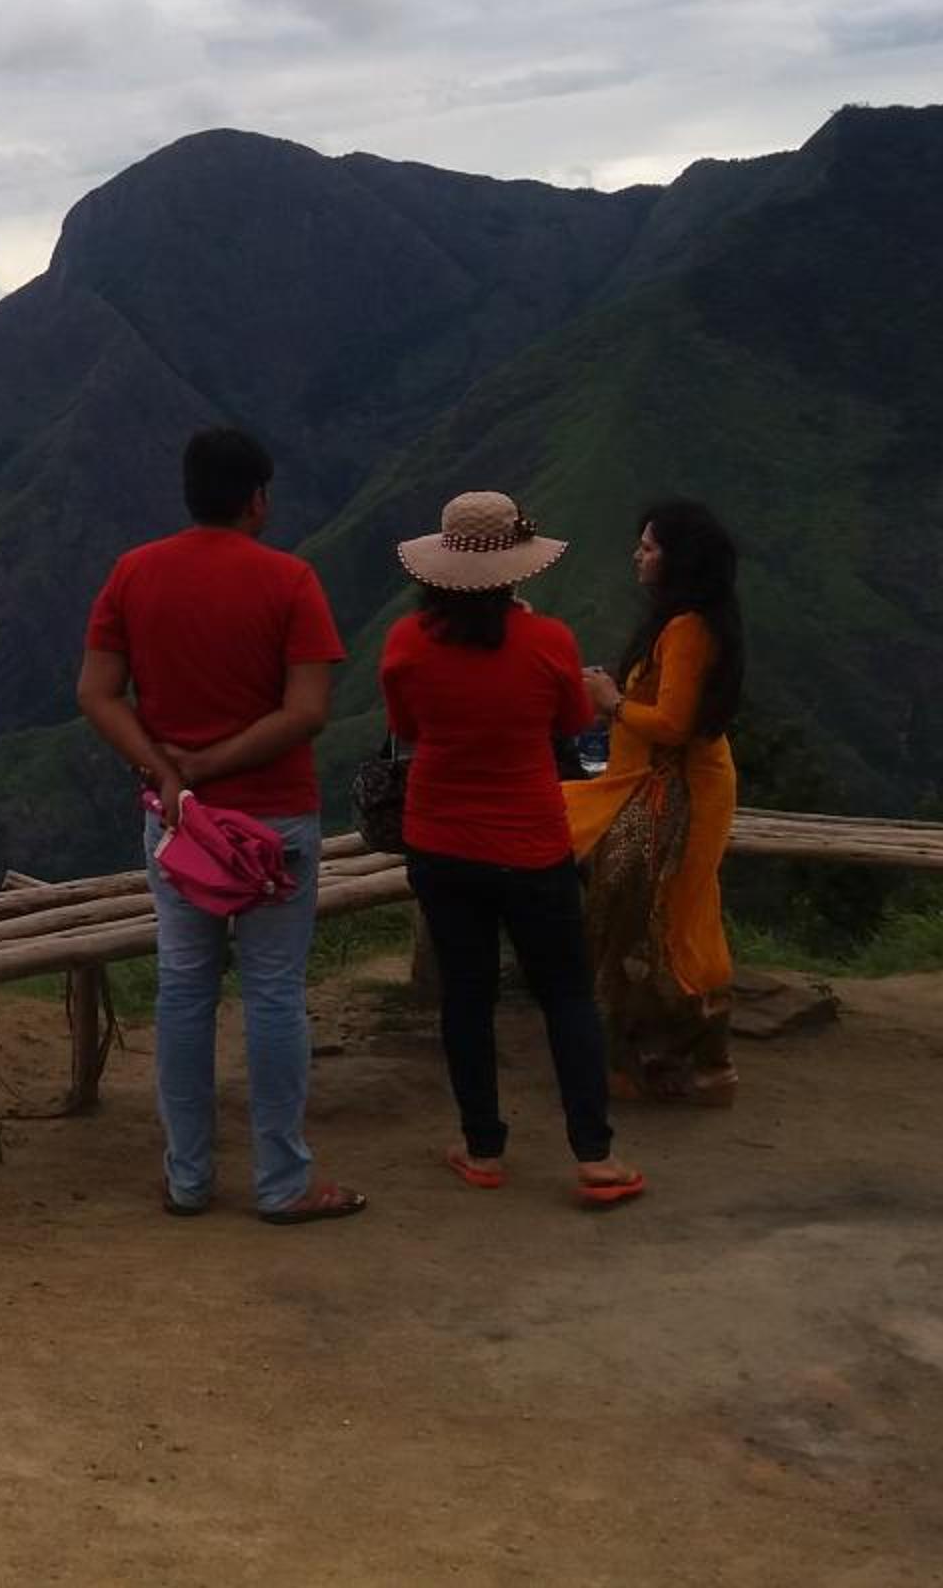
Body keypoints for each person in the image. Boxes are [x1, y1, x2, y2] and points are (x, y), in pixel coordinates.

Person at [75, 426, 363, 1225]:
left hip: (182, 828)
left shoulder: (134, 573)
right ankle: (282, 1183)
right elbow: (307, 712)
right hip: (275, 822)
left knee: (183, 986)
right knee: (272, 993)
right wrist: (209, 765)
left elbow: (96, 693)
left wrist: (169, 772)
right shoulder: (290, 580)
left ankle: (188, 1178)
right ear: (258, 500)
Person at [381, 491, 644, 1208]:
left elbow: (408, 727)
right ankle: (595, 1157)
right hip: (531, 843)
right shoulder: (549, 642)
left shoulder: (406, 643)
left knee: (467, 996)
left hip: (440, 841)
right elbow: (572, 721)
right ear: (514, 569)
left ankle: (482, 1149)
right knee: (565, 994)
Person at [566, 498, 745, 1106]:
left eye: (648, 548)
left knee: (657, 914)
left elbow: (674, 724)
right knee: (661, 911)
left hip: (676, 791)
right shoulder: (686, 622)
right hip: (659, 784)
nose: (636, 556)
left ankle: (669, 1058)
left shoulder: (687, 628)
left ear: (677, 560)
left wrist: (611, 701)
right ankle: (681, 1058)